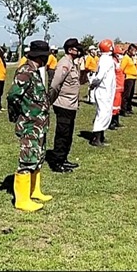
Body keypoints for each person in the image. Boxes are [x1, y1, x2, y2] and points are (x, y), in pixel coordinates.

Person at [6, 40, 52, 212]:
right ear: (40, 56)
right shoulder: (25, 72)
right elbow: (13, 96)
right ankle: (22, 200)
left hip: (39, 124)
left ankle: (34, 191)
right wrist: (21, 114)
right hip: (30, 124)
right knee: (27, 158)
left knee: (38, 157)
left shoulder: (35, 71)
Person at [47, 38, 85, 173]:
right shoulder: (64, 64)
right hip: (63, 104)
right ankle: (57, 162)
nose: (79, 51)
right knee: (62, 134)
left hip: (71, 105)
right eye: (76, 48)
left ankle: (63, 158)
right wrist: (50, 100)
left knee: (68, 134)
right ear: (70, 50)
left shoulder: (73, 63)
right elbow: (55, 84)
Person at [89, 39, 116, 147]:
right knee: (103, 114)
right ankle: (96, 138)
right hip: (103, 91)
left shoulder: (107, 59)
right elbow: (99, 76)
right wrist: (93, 84)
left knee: (106, 113)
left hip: (107, 90)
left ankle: (101, 136)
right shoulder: (105, 60)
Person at [109, 45, 125, 130]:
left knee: (118, 105)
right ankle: (111, 122)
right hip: (115, 87)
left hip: (120, 86)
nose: (121, 55)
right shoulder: (112, 62)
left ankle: (116, 121)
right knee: (114, 105)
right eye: (120, 53)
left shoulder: (117, 62)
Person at [120, 44, 137, 117]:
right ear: (129, 50)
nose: (135, 52)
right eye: (133, 51)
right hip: (128, 78)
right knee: (126, 95)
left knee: (131, 95)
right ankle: (123, 109)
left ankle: (129, 108)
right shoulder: (126, 58)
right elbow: (122, 68)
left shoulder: (131, 58)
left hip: (133, 78)